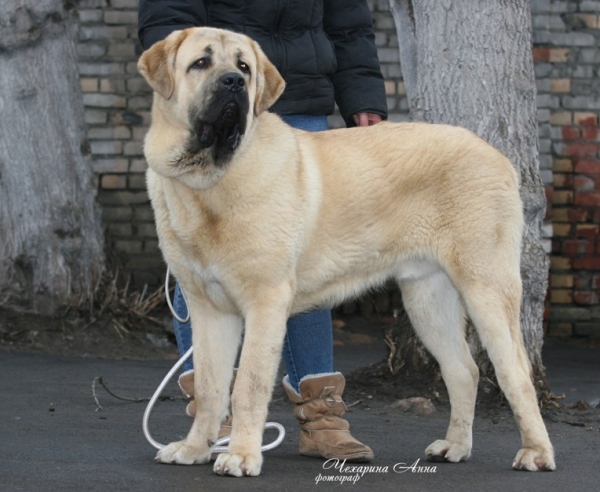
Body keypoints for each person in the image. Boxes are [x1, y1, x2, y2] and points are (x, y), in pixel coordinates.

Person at [138, 0, 388, 463]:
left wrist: (362, 94)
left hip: (301, 97)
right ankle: (215, 421)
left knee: (297, 274)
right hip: (203, 95)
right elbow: (166, 12)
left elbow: (348, 19)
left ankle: (321, 417)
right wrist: (188, 67)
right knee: (198, 269)